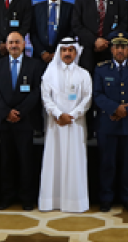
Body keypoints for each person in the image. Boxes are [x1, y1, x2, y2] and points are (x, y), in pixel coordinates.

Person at [94, 31, 128, 213]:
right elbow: (97, 94)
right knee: (107, 164)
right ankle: (106, 198)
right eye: (116, 46)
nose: (120, 50)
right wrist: (114, 109)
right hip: (107, 124)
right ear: (111, 49)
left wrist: (126, 110)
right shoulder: (101, 68)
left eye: (123, 47)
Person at [0, 31, 44, 211]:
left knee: (26, 161)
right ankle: (6, 197)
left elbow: (37, 91)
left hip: (26, 121)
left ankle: (26, 198)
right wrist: (6, 112)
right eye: (11, 42)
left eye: (17, 42)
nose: (14, 45)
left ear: (23, 45)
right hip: (5, 122)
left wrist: (19, 111)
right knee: (6, 161)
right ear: (6, 45)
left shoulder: (35, 65)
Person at [39, 38, 92, 213]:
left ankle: (74, 202)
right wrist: (58, 114)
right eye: (64, 50)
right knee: (54, 160)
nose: (67, 53)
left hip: (75, 125)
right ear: (59, 52)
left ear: (76, 53)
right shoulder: (49, 73)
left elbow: (87, 98)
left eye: (71, 50)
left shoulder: (84, 74)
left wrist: (72, 115)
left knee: (74, 161)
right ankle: (52, 201)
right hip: (56, 125)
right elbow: (46, 97)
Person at [72, 0, 127, 74]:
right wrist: (95, 41)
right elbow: (76, 25)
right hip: (87, 50)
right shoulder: (81, 1)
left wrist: (106, 41)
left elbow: (123, 24)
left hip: (110, 50)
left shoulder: (120, 2)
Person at [30, 0, 73, 64]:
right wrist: (42, 52)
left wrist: (58, 52)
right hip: (39, 57)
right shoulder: (36, 8)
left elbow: (71, 32)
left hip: (62, 56)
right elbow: (33, 33)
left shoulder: (70, 8)